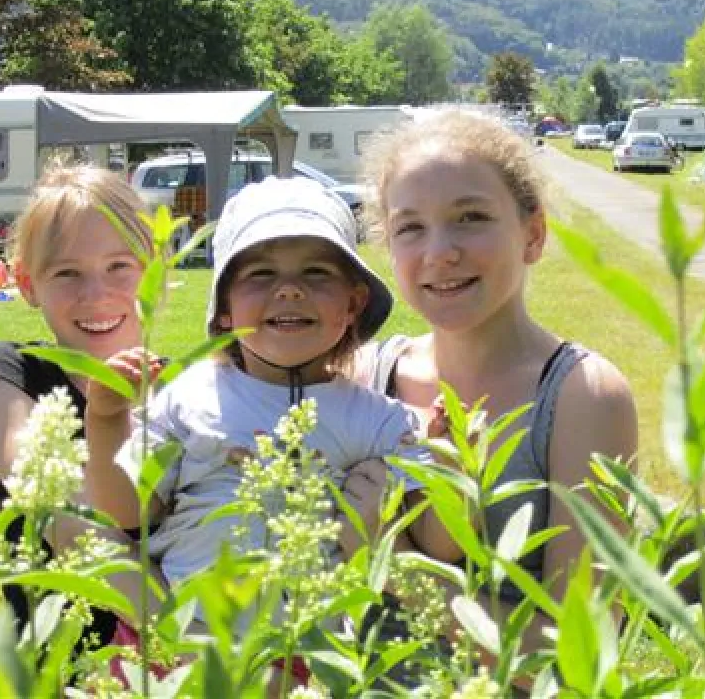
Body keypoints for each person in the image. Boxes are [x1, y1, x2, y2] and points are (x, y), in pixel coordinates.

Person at [82, 177, 461, 638]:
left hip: (305, 657)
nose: (289, 290)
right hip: (184, 646)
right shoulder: (189, 396)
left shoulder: (375, 420)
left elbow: (441, 543)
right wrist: (105, 418)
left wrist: (448, 462)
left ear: (353, 304)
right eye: (261, 274)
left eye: (316, 273)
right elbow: (126, 512)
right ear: (224, 310)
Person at [348, 111, 639, 686]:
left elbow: (579, 653)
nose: (440, 251)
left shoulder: (584, 396)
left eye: (471, 217)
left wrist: (394, 564)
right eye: (411, 227)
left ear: (533, 234)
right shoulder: (360, 375)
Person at [0, 165, 154, 647]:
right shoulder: (6, 376)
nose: (96, 294)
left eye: (119, 267)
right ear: (27, 282)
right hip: (68, 669)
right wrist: (180, 630)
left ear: (156, 271)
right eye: (67, 273)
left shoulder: (187, 389)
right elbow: (70, 526)